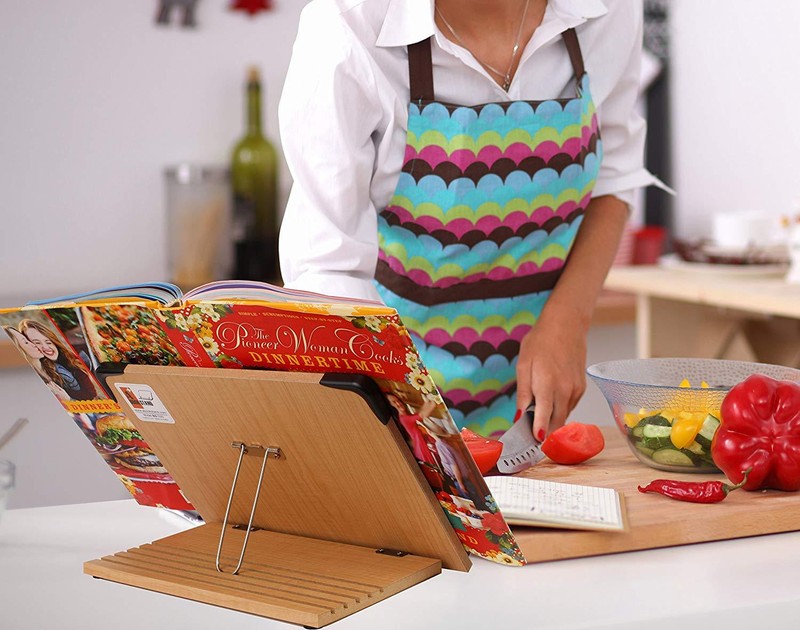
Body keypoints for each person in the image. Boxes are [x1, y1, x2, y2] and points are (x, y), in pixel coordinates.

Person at [278, 0, 667, 440]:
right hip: (385, 386)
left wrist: (569, 318)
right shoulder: (347, 30)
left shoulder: (606, 9)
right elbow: (330, 269)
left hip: (531, 403)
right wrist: (382, 421)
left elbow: (614, 175)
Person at [18, 319, 99, 401]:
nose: (46, 347)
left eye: (48, 341)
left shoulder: (75, 355)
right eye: (37, 343)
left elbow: (92, 394)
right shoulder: (43, 373)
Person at [3, 326, 70, 401]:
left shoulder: (56, 367)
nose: (33, 344)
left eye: (28, 340)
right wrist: (66, 400)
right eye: (26, 342)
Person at [386, 393, 439, 466]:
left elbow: (419, 413)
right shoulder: (404, 418)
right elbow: (422, 414)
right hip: (422, 445)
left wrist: (427, 402)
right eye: (394, 402)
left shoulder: (404, 416)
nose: (398, 403)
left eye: (398, 400)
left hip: (422, 442)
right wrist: (434, 401)